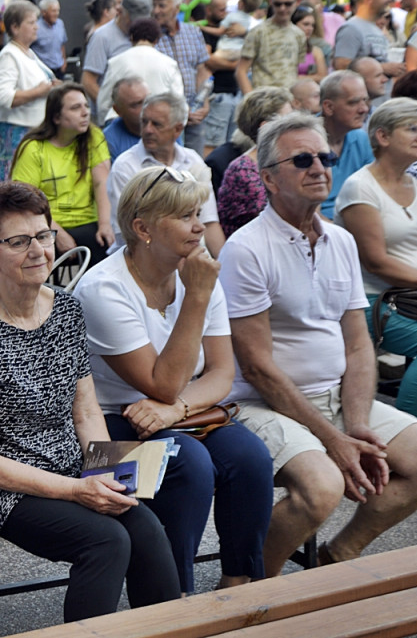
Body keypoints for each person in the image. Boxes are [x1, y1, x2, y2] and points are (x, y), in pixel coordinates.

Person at [0, 180, 181, 621]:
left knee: (145, 527)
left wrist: (109, 475)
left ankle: (173, 631)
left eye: (43, 235)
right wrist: (78, 490)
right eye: (18, 241)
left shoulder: (67, 310)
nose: (37, 250)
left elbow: (87, 410)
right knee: (106, 540)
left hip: (65, 463)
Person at [219, 111, 417, 575]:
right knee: (322, 487)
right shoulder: (247, 248)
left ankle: (338, 556)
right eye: (303, 159)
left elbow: (357, 344)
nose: (320, 167)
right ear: (268, 179)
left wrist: (354, 425)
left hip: (335, 398)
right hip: (260, 405)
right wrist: (335, 440)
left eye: (325, 157)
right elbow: (256, 367)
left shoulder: (340, 240)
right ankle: (248, 589)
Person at [75, 165, 274, 594]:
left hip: (175, 415)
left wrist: (175, 409)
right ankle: (173, 596)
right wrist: (197, 297)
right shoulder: (104, 288)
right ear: (143, 227)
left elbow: (221, 373)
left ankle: (239, 585)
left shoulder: (196, 271)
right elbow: (160, 382)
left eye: (197, 212)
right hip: (102, 433)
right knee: (187, 464)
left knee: (250, 459)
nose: (199, 226)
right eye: (184, 216)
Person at [335, 98, 417, 420]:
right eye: (412, 129)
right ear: (383, 137)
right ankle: (411, 431)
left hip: (413, 295)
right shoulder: (361, 187)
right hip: (377, 300)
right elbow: (376, 262)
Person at [107, 92, 225, 257]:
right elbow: (126, 234)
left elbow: (210, 222)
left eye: (156, 124)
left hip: (185, 253)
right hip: (142, 257)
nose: (148, 129)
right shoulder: (126, 166)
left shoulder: (192, 160)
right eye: (144, 122)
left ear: (177, 129)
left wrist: (221, 267)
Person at [11, 82, 114, 265]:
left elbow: (101, 182)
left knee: (110, 244)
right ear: (56, 117)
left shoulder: (93, 136)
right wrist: (55, 233)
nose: (85, 113)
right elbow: (26, 199)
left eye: (86, 106)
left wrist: (105, 224)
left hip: (88, 221)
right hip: (46, 223)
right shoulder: (34, 148)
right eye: (75, 108)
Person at [0, 0, 60, 184]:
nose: (36, 27)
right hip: (16, 133)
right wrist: (40, 91)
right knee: (15, 185)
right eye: (31, 22)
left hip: (32, 131)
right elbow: (4, 97)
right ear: (14, 27)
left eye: (36, 22)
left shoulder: (27, 53)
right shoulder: (9, 56)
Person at [217, 87, 294, 237]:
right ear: (266, 127)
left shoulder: (291, 160)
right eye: (289, 120)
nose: (297, 125)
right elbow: (283, 221)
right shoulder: (243, 170)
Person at [151, 0, 211, 153]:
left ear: (177, 8)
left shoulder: (192, 32)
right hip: (166, 115)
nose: (156, 11)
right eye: (154, 5)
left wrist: (204, 104)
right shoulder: (151, 36)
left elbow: (202, 69)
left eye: (162, 6)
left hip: (195, 112)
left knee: (195, 165)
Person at [96, 18, 184, 127]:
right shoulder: (170, 64)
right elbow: (179, 102)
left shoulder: (116, 62)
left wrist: (104, 125)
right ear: (157, 40)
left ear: (131, 38)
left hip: (122, 125)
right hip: (159, 126)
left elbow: (104, 102)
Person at [201, 0, 251, 155]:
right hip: (218, 94)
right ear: (209, 10)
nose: (226, 13)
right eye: (221, 10)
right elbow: (208, 60)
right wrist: (239, 66)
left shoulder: (233, 28)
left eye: (226, 9)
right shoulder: (206, 32)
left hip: (235, 93)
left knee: (234, 143)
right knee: (213, 142)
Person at [82, 0, 153, 105]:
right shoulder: (102, 37)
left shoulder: (146, 34)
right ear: (119, 11)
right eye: (133, 19)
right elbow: (88, 82)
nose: (138, 24)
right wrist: (111, 108)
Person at [235, 0, 305, 95]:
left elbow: (295, 70)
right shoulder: (258, 32)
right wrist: (251, 100)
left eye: (288, 4)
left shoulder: (299, 34)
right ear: (271, 2)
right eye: (278, 4)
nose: (282, 8)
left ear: (297, 2)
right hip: (263, 98)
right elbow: (241, 71)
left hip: (289, 100)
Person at [320, 70, 374, 218]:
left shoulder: (361, 138)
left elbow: (373, 189)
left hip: (356, 220)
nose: (364, 109)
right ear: (329, 107)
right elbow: (303, 208)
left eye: (365, 100)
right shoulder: (305, 141)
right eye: (354, 102)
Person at [334, 0, 406, 82]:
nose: (389, 0)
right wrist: (382, 68)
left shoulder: (376, 29)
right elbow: (341, 65)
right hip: (365, 96)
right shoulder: (351, 28)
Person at [33, 0, 69, 78]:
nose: (57, 13)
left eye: (58, 10)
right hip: (43, 71)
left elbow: (62, 44)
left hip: (59, 70)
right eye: (53, 11)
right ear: (44, 12)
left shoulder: (60, 24)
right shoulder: (36, 27)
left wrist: (64, 61)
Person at [292, 6, 328, 83]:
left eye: (312, 25)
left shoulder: (316, 51)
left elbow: (323, 77)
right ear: (293, 25)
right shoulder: (282, 48)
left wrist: (300, 78)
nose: (310, 28)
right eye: (306, 24)